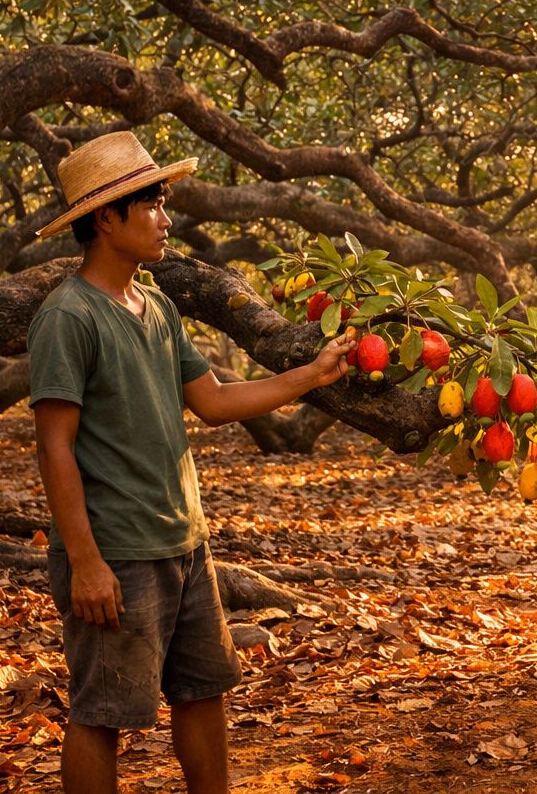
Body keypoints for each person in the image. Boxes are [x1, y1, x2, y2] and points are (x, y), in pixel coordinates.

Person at [27, 131, 354, 794]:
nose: (166, 219)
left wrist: (311, 376)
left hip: (184, 542)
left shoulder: (159, 308)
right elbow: (54, 444)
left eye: (163, 202)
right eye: (150, 205)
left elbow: (214, 401)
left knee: (204, 692)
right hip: (116, 551)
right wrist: (86, 563)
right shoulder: (69, 316)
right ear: (105, 218)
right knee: (103, 714)